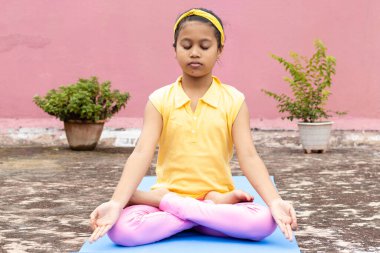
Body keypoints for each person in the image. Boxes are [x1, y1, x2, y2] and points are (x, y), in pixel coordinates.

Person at [89, 8, 298, 246]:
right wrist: (116, 203)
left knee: (263, 222)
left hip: (179, 201)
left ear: (219, 50)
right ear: (175, 49)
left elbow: (249, 155)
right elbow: (141, 152)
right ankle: (203, 216)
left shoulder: (234, 100)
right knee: (121, 231)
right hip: (204, 202)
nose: (195, 53)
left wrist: (274, 201)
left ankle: (175, 210)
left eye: (205, 46)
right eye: (186, 46)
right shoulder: (159, 100)